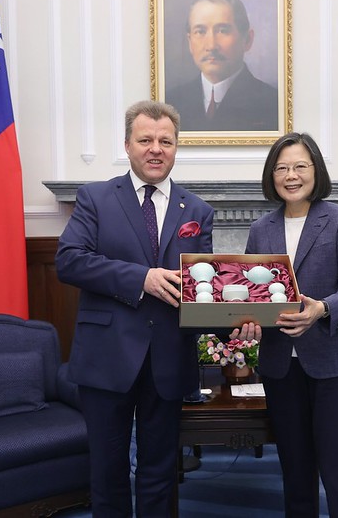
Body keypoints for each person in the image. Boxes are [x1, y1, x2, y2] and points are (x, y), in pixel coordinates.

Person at [56, 99, 260, 517]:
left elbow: (199, 289)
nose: (156, 148)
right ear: (127, 145)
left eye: (165, 141)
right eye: (145, 139)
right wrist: (140, 278)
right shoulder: (95, 198)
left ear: (176, 147)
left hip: (168, 357)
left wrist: (236, 323)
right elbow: (69, 261)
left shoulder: (197, 211)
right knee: (108, 468)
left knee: (161, 469)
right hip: (106, 357)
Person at [245, 132, 338, 517]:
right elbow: (253, 294)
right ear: (272, 175)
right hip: (282, 365)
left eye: (300, 166)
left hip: (337, 363)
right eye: (282, 168)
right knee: (295, 472)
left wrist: (323, 309)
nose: (291, 175)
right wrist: (245, 322)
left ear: (316, 171)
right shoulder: (260, 229)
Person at [166, 0, 278, 132]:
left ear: (247, 40)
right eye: (200, 32)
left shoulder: (272, 104)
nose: (211, 46)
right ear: (190, 42)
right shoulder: (170, 103)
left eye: (223, 30)